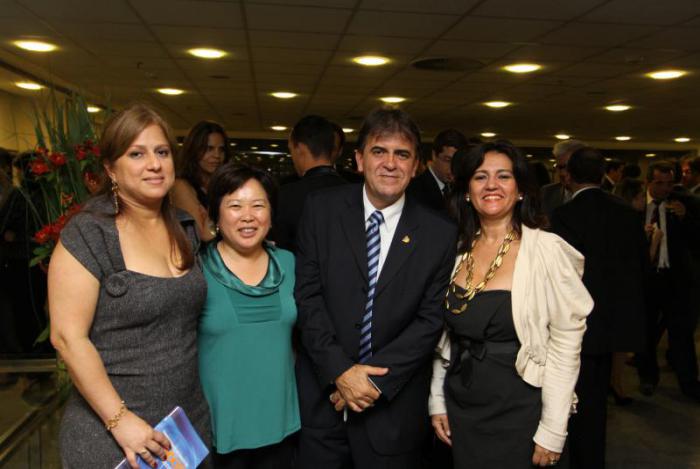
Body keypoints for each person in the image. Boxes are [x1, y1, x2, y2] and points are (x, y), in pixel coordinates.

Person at [48, 104, 211, 468]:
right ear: (111, 168)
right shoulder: (90, 233)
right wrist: (121, 422)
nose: (154, 164)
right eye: (137, 154)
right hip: (113, 432)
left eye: (162, 152)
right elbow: (67, 338)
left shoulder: (184, 227)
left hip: (184, 426)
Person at [294, 107, 457, 468]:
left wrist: (369, 383)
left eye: (402, 154)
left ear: (416, 166)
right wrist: (341, 372)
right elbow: (307, 297)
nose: (390, 164)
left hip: (392, 413)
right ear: (359, 159)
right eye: (379, 151)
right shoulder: (321, 210)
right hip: (323, 404)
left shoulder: (439, 233)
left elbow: (430, 320)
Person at [430, 140, 593, 468]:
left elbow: (565, 347)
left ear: (520, 190)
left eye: (503, 176)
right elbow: (445, 341)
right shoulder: (455, 250)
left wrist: (553, 429)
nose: (491, 184)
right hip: (463, 403)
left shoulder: (547, 251)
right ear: (467, 191)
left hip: (522, 409)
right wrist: (437, 400)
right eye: (480, 177)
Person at [549, 147, 647, 469]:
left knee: (569, 400)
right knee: (596, 404)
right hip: (612, 322)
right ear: (602, 174)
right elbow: (639, 270)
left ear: (568, 175)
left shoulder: (565, 215)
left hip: (574, 321)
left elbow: (560, 275)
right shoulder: (626, 212)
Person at [198, 164, 299, 468]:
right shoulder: (195, 270)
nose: (247, 216)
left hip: (282, 426)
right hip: (218, 429)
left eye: (258, 205)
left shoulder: (289, 263)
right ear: (216, 215)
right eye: (235, 206)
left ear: (271, 213)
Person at [636, 161, 700, 401]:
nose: (665, 188)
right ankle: (648, 377)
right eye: (659, 183)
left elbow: (696, 242)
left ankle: (689, 382)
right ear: (648, 183)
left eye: (669, 183)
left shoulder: (685, 204)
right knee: (646, 331)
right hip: (647, 279)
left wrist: (686, 219)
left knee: (681, 332)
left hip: (676, 279)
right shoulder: (637, 206)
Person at [271, 115, 347, 253]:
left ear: (300, 148)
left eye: (291, 150)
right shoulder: (356, 194)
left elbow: (280, 251)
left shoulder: (285, 196)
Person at [171, 120, 228, 242]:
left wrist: (209, 218)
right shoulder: (181, 186)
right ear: (194, 150)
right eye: (209, 149)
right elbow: (204, 236)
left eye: (221, 150)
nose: (217, 155)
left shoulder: (221, 185)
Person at [407, 129, 467, 213]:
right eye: (447, 160)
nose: (453, 167)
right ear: (434, 155)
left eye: (458, 161)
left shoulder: (459, 188)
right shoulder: (414, 190)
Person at [541, 139, 586, 219]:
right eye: (560, 167)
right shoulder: (546, 193)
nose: (563, 173)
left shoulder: (599, 197)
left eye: (568, 167)